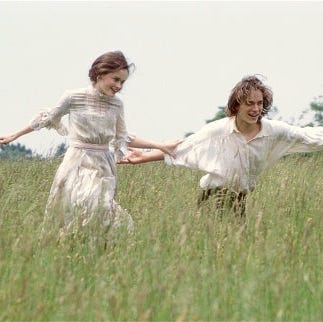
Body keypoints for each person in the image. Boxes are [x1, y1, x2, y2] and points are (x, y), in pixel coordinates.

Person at [0, 51, 179, 236]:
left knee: (101, 210)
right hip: (76, 162)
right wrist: (15, 135)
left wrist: (160, 146)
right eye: (115, 79)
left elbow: (123, 136)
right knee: (76, 208)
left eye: (122, 82)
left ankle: (93, 249)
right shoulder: (73, 97)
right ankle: (67, 245)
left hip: (103, 165)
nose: (118, 86)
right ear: (100, 74)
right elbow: (48, 118)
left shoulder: (117, 105)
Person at [121, 75, 323, 217]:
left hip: (240, 199)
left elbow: (308, 136)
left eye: (259, 103)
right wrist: (143, 157)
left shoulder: (273, 131)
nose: (255, 109)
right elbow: (184, 147)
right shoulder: (218, 130)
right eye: (249, 103)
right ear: (237, 105)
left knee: (236, 251)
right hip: (213, 197)